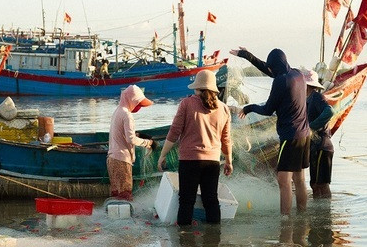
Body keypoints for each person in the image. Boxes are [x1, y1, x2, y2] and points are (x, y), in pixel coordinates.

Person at [230, 47, 310, 216]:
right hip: (304, 134)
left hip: (290, 137)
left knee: (284, 181)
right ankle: (302, 215)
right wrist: (247, 55)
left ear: (275, 66)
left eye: (271, 67)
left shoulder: (281, 81)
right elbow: (270, 69)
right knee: (300, 179)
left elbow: (267, 109)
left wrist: (249, 108)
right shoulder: (297, 75)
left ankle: (285, 220)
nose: (270, 70)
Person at [157, 69, 233, 225]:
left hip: (189, 161)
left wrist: (162, 155)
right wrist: (229, 161)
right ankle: (213, 241)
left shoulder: (187, 103)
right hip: (212, 162)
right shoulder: (224, 109)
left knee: (186, 201)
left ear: (197, 87)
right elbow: (226, 140)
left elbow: (174, 132)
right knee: (211, 201)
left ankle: (185, 241)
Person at [107, 85, 154, 201]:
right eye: (138, 103)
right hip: (122, 160)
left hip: (111, 159)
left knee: (116, 194)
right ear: (132, 101)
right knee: (125, 195)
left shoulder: (117, 111)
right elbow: (131, 139)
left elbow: (122, 133)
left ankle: (114, 218)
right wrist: (148, 143)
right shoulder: (127, 115)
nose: (139, 107)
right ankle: (124, 219)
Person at [304, 69, 334, 198]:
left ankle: (326, 214)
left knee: (321, 184)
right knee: (314, 184)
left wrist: (311, 127)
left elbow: (329, 111)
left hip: (322, 145)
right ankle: (319, 213)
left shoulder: (316, 97)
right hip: (314, 147)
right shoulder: (307, 99)